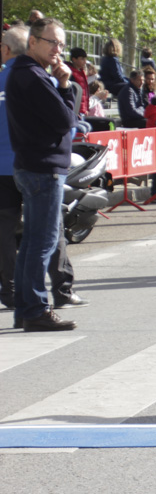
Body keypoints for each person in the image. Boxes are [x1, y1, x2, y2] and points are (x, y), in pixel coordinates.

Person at [5, 18, 79, 331]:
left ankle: (26, 308)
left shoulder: (27, 73)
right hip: (41, 166)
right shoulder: (32, 76)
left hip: (33, 164)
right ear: (33, 41)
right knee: (43, 241)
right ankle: (34, 308)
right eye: (52, 42)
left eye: (61, 44)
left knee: (35, 241)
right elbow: (66, 121)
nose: (57, 50)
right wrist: (65, 85)